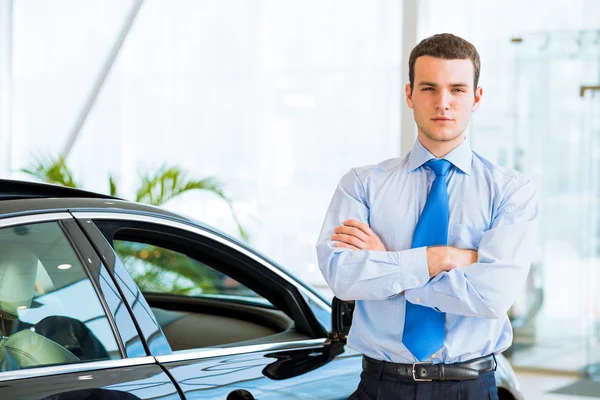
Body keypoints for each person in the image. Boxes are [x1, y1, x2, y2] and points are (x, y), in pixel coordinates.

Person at [316, 33, 539, 399]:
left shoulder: (511, 191)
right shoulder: (361, 184)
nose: (443, 103)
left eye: (457, 89)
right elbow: (343, 277)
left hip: (471, 386)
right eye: (429, 88)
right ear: (409, 95)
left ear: (476, 98)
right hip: (379, 386)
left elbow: (492, 297)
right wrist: (442, 258)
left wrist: (387, 265)